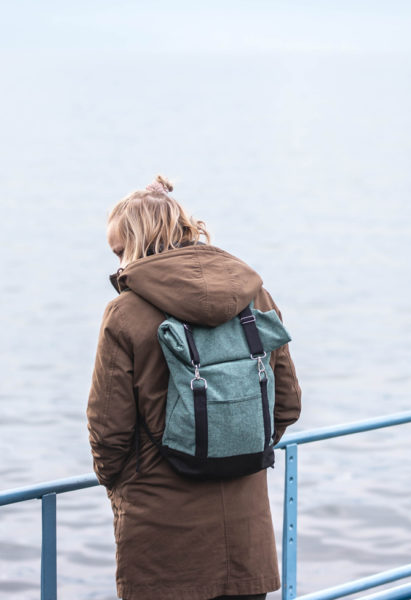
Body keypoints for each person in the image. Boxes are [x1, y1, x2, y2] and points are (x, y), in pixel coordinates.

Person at [86, 175, 302, 600]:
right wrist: (237, 445)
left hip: (161, 538)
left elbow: (108, 428)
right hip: (246, 536)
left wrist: (125, 485)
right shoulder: (253, 296)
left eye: (118, 252)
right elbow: (287, 402)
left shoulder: (125, 312)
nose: (118, 266)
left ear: (137, 243)